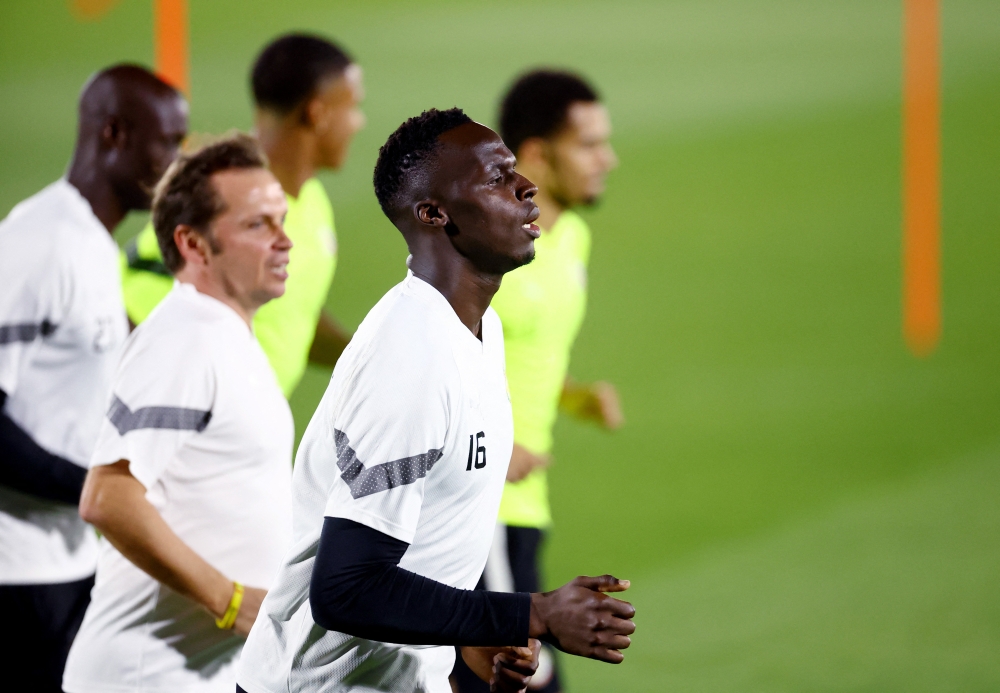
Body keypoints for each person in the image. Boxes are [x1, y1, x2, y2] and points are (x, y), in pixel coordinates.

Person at [235, 108, 635, 693]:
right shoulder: (412, 357)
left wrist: (463, 641)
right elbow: (345, 588)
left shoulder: (477, 328)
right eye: (496, 178)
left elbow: (423, 540)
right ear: (433, 213)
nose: (526, 188)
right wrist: (533, 613)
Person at [62, 135, 295, 693]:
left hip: (193, 675)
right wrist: (231, 603)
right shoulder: (188, 337)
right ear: (193, 243)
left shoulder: (225, 335)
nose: (285, 241)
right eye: (257, 225)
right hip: (142, 678)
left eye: (282, 220)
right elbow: (108, 496)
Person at [0, 65, 187, 691]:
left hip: (71, 561)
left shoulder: (93, 246)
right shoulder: (39, 243)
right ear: (114, 134)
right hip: (18, 576)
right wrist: (94, 492)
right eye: (168, 142)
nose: (177, 162)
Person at [452, 70, 623, 693]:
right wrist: (491, 446)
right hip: (477, 502)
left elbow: (521, 352)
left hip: (524, 508)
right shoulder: (482, 246)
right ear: (537, 153)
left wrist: (573, 396)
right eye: (590, 144)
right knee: (520, 680)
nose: (609, 158)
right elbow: (430, 366)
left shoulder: (571, 236)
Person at [121, 33, 363, 396]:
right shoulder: (217, 198)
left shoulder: (311, 200)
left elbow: (292, 313)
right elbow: (133, 309)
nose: (358, 122)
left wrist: (365, 359)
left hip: (246, 435)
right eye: (352, 108)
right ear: (317, 113)